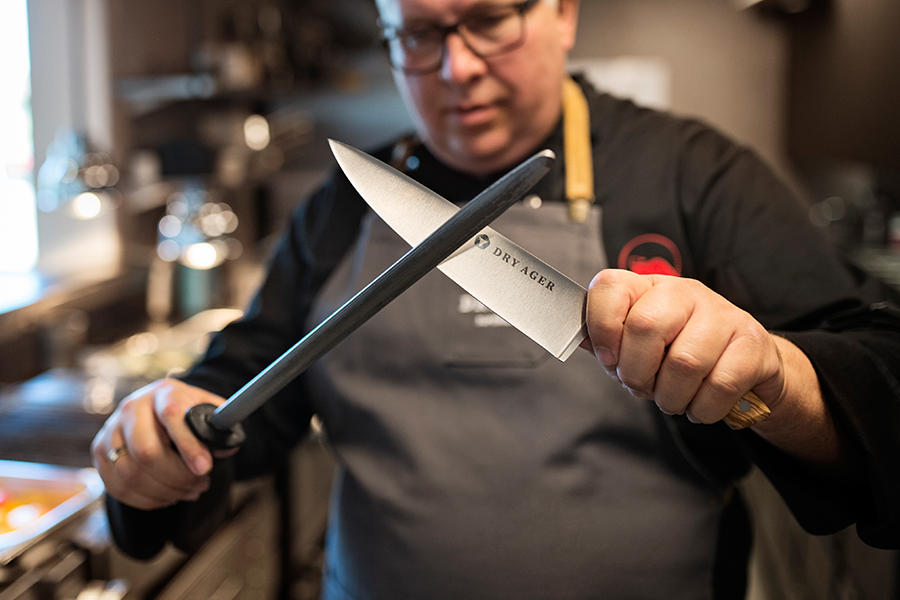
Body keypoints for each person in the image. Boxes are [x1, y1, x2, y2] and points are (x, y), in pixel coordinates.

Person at [92, 0, 900, 597]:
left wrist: (776, 374)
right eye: (419, 34)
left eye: (488, 19)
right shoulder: (345, 206)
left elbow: (879, 373)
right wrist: (166, 435)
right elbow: (243, 393)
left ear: (563, 15)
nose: (458, 68)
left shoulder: (698, 175)